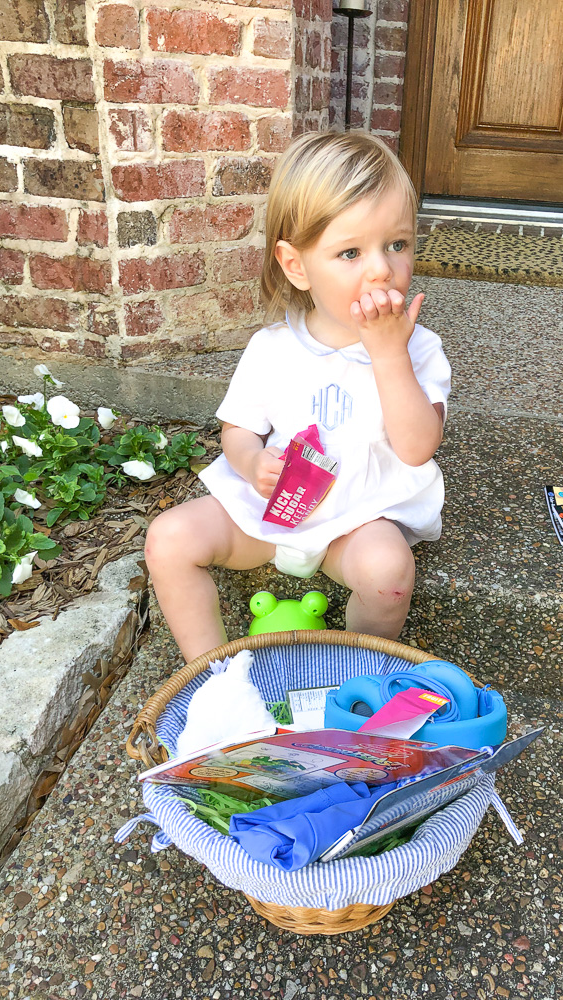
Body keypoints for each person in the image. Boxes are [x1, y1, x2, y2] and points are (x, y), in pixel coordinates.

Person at [145, 130, 451, 662]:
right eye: (351, 252)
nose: (381, 267)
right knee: (169, 539)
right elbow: (239, 429)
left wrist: (388, 354)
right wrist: (250, 463)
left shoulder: (418, 349)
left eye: (396, 244)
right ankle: (208, 673)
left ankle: (358, 667)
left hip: (358, 518)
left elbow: (417, 447)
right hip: (270, 514)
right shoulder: (273, 349)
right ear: (296, 265)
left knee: (390, 572)